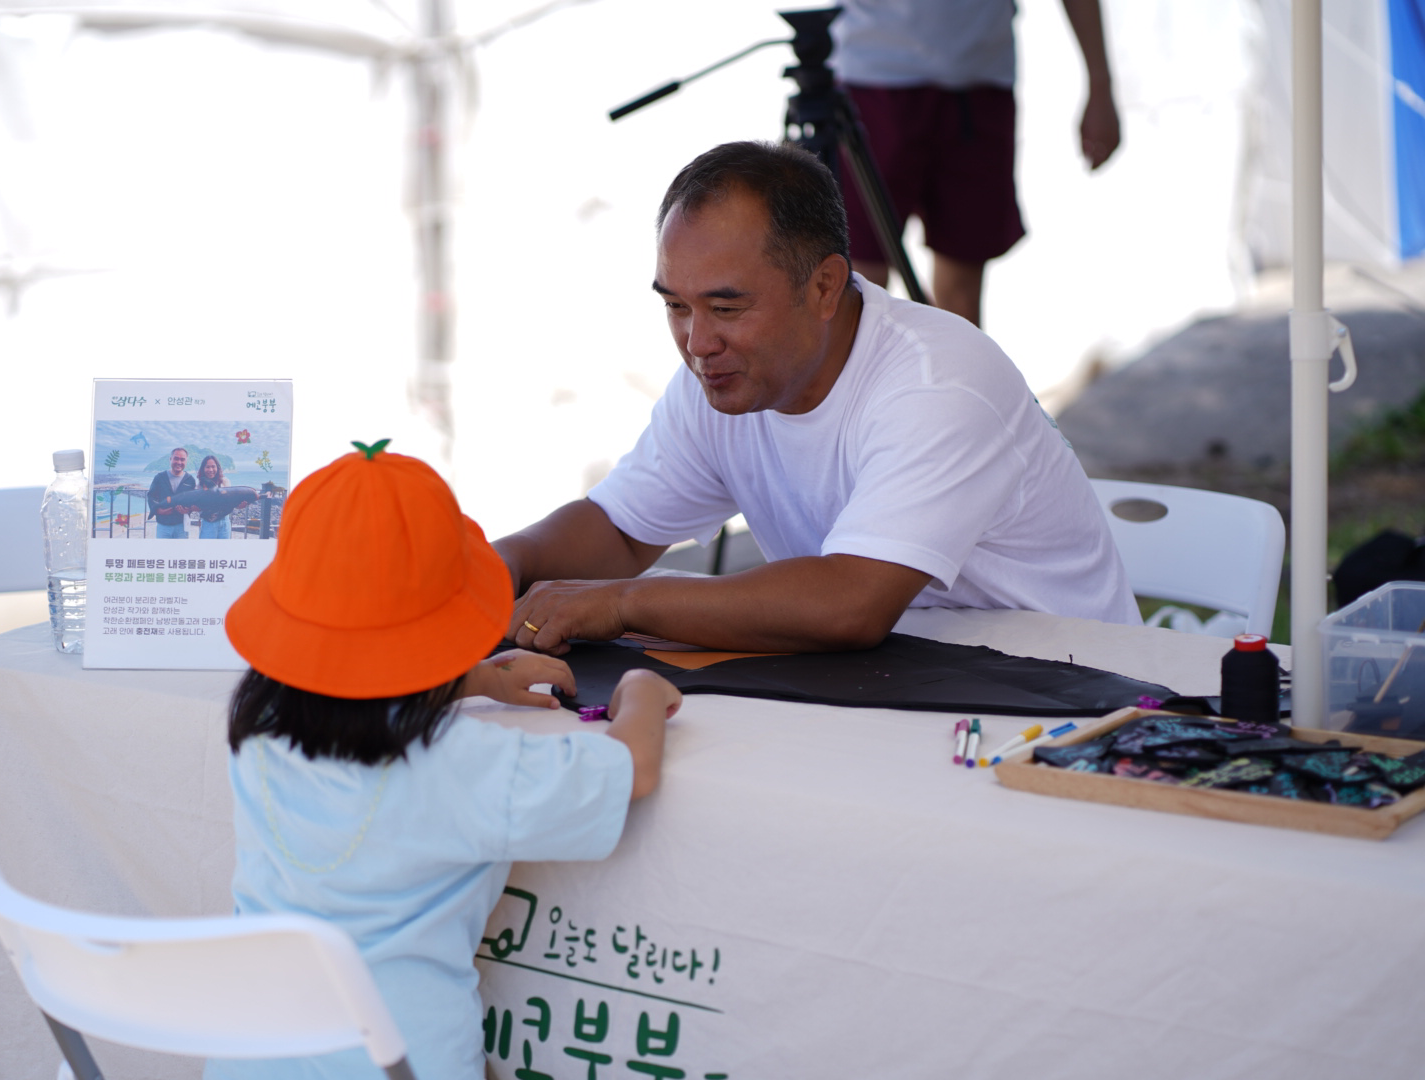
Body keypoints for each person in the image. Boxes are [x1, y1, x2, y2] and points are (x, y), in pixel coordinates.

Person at [493, 141, 1136, 658]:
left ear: (825, 286)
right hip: (902, 681)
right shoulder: (720, 375)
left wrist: (622, 602)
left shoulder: (938, 381)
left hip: (1074, 693)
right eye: (674, 306)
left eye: (726, 306)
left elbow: (849, 604)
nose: (697, 342)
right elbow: (620, 529)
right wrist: (506, 561)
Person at [207, 443, 678, 1080]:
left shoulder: (259, 731)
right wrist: (640, 690)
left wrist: (472, 680)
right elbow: (634, 769)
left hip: (247, 1062)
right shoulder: (467, 765)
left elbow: (347, 686)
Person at [833, 0, 1120, 327]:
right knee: (859, 282)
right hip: (870, 74)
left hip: (980, 77)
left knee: (962, 286)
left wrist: (1101, 85)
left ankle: (949, 370)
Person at [146, 447, 195, 539]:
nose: (179, 462)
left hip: (182, 526)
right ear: (170, 459)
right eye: (176, 458)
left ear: (186, 461)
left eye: (182, 460)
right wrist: (158, 511)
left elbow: (193, 500)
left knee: (181, 552)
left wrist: (188, 510)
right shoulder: (160, 477)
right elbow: (151, 496)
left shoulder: (190, 480)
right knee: (163, 552)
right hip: (163, 526)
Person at [194, 454, 234, 539]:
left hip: (225, 521)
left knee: (224, 550)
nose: (211, 470)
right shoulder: (199, 486)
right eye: (207, 467)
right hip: (208, 522)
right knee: (207, 550)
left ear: (217, 468)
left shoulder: (225, 482)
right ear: (203, 469)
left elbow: (230, 501)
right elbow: (199, 506)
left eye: (213, 466)